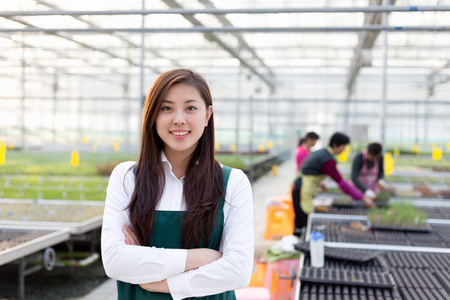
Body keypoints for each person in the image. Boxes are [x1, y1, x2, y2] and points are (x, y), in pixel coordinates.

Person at [101, 69, 254, 300]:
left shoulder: (233, 182)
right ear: (152, 116)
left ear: (207, 115)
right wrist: (201, 258)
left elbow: (238, 271)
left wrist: (163, 283)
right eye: (166, 108)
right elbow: (114, 262)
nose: (179, 119)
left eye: (190, 108)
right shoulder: (126, 177)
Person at [291, 132, 374, 237]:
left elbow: (309, 170)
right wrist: (362, 197)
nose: (344, 149)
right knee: (304, 222)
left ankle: (296, 243)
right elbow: (341, 183)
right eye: (343, 146)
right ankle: (301, 246)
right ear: (335, 145)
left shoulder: (322, 153)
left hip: (299, 188)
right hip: (302, 190)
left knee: (300, 220)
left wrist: (320, 184)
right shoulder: (328, 160)